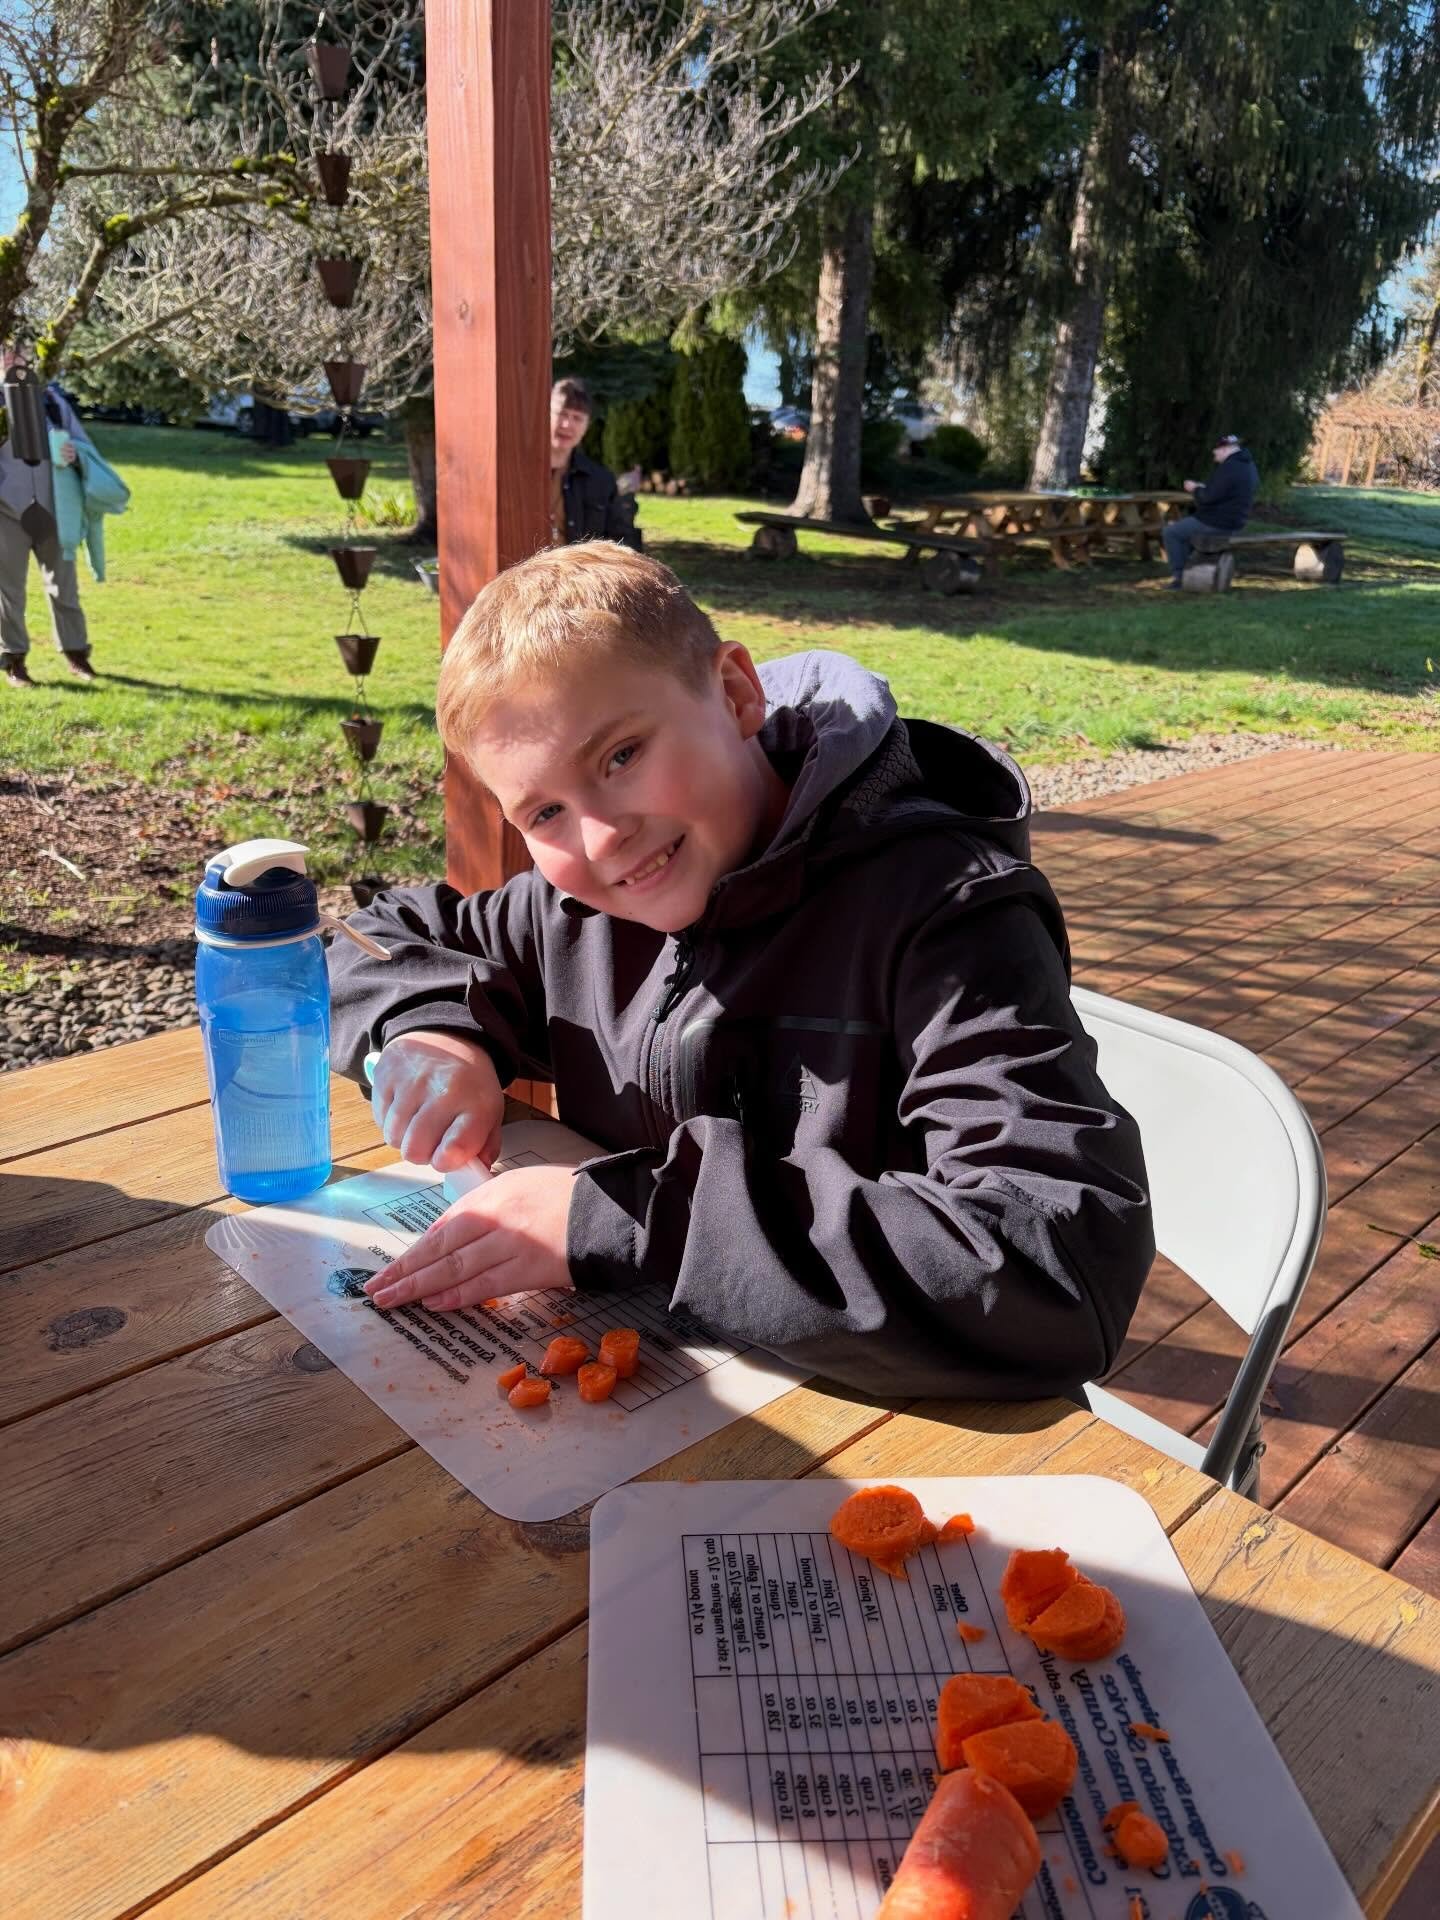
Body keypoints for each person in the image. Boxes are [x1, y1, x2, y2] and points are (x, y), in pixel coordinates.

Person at [328, 543, 1153, 1400]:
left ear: (735, 693)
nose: (604, 836)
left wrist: (628, 1218)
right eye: (546, 811)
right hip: (672, 1401)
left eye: (621, 756)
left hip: (910, 1424)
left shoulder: (943, 917)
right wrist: (433, 1029)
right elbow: (372, 938)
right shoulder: (576, 908)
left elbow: (1059, 1268)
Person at [0, 359, 98, 686]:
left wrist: (75, 453)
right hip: (6, 513)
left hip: (54, 510)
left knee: (65, 585)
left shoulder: (51, 400)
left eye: (25, 352)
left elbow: (84, 447)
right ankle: (14, 661)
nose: (16, 360)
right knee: (9, 592)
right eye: (7, 353)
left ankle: (76, 654)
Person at [549, 376, 642, 550]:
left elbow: (620, 541)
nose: (567, 424)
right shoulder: (519, 474)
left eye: (577, 418)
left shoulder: (601, 481)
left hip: (577, 576)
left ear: (586, 426)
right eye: (562, 413)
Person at [1161, 433, 1258, 588]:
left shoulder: (1229, 467)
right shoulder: (1247, 465)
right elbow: (1223, 492)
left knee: (1171, 532)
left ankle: (1179, 578)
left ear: (1225, 449)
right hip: (1235, 520)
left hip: (1217, 521)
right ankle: (1190, 573)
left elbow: (1208, 498)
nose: (1214, 452)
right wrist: (1203, 488)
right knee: (1183, 530)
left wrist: (1194, 489)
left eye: (1216, 449)